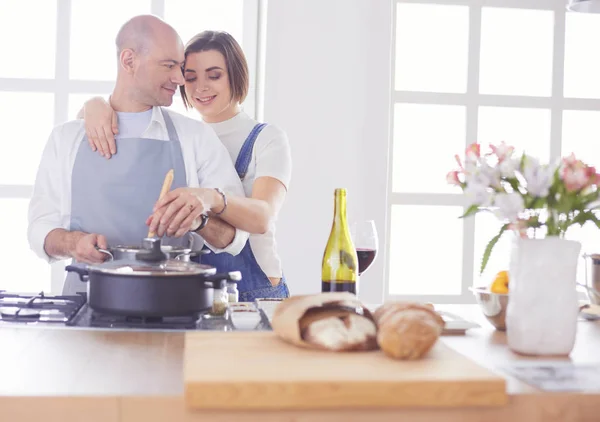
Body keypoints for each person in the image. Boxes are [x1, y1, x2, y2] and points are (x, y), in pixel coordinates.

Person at [27, 16, 249, 296]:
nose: (180, 79)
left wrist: (199, 221)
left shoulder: (196, 137)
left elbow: (236, 238)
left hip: (175, 303)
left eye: (180, 67)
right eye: (169, 66)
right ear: (129, 61)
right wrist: (73, 243)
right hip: (86, 302)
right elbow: (39, 229)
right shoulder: (66, 138)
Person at [81, 30, 292, 302]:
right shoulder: (182, 135)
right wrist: (95, 104)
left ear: (236, 75)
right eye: (190, 77)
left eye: (214, 75)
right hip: (194, 289)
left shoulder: (266, 138)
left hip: (255, 290)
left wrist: (211, 198)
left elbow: (263, 217)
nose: (200, 87)